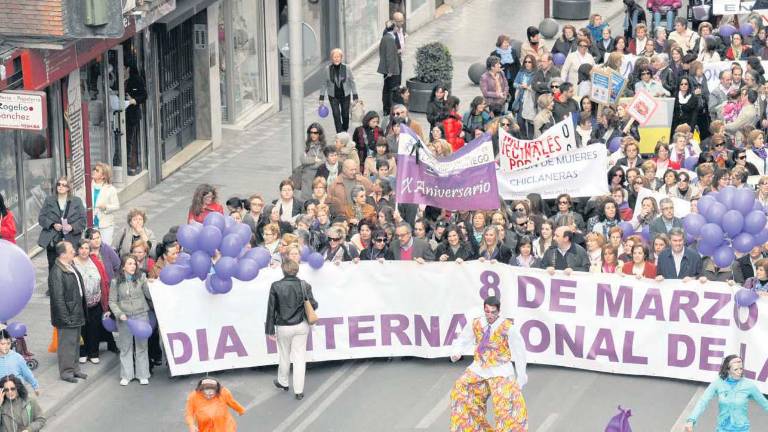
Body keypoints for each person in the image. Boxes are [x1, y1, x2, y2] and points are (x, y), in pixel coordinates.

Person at [449, 296, 528, 432]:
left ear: (499, 311)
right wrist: (457, 351)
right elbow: (463, 338)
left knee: (506, 407)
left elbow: (520, 353)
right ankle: (472, 428)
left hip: (500, 370)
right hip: (479, 368)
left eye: (493, 312)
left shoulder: (508, 327)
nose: (490, 315)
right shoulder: (477, 323)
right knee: (460, 390)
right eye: (487, 311)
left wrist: (521, 377)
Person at [265, 259, 318, 400]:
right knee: (300, 357)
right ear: (297, 270)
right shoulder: (304, 285)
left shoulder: (275, 286)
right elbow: (314, 305)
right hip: (301, 325)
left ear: (283, 270)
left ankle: (283, 382)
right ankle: (299, 391)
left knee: (284, 355)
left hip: (283, 326)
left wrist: (269, 330)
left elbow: (271, 309)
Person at [684, 355, 768, 431]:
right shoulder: (718, 383)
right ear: (728, 370)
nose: (740, 372)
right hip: (722, 429)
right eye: (736, 369)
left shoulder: (749, 385)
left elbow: (765, 404)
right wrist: (691, 420)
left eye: (741, 368)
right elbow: (703, 401)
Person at [109, 254, 153, 386]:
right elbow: (112, 301)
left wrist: (151, 285)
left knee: (142, 346)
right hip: (125, 318)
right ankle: (127, 375)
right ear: (123, 266)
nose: (133, 266)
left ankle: (143, 374)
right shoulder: (115, 282)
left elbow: (149, 295)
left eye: (134, 263)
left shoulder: (142, 278)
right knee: (126, 347)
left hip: (141, 316)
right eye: (129, 263)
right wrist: (119, 313)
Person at [48, 241, 87, 383]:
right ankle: (66, 372)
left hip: (76, 312)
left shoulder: (70, 266)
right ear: (63, 254)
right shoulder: (57, 272)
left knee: (75, 343)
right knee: (66, 345)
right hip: (68, 316)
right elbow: (58, 299)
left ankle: (75, 369)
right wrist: (66, 318)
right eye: (71, 250)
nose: (74, 252)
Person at [72, 240, 109, 365]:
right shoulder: (72, 263)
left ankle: (94, 352)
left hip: (95, 301)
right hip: (80, 303)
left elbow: (103, 279)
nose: (84, 251)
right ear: (77, 250)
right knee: (82, 329)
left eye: (87, 248)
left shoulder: (95, 261)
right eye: (81, 248)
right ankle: (82, 352)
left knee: (95, 328)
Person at [38, 176, 86, 270]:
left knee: (72, 266)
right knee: (53, 267)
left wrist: (72, 227)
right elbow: (41, 218)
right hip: (54, 239)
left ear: (68, 188)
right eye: (59, 184)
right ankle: (54, 284)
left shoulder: (77, 201)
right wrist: (53, 224)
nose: (60, 187)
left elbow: (83, 220)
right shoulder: (49, 200)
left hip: (71, 239)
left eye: (64, 185)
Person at [319, 48, 358, 133]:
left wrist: (355, 95)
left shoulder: (347, 68)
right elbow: (324, 84)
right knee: (336, 115)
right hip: (333, 97)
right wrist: (321, 98)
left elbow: (352, 81)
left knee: (345, 115)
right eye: (334, 57)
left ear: (341, 58)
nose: (336, 58)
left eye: (338, 57)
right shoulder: (327, 69)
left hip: (345, 95)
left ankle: (344, 130)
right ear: (331, 58)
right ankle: (340, 134)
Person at [124, 61, 147, 176]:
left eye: (124, 68)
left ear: (128, 68)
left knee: (129, 140)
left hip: (131, 115)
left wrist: (134, 100)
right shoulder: (116, 78)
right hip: (119, 113)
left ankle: (128, 165)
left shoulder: (136, 79)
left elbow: (144, 95)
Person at [0, 330, 39, 394]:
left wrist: (35, 386)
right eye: (3, 344)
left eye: (8, 343)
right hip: (2, 393)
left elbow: (27, 373)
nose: (6, 346)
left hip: (18, 391)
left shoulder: (17, 357)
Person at [91, 162, 120, 246]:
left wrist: (106, 207)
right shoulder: (87, 186)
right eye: (94, 169)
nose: (94, 171)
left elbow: (116, 206)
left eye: (97, 170)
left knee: (105, 247)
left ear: (103, 176)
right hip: (90, 223)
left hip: (105, 224)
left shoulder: (111, 189)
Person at [378, 20, 401, 115]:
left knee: (386, 89)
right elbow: (390, 56)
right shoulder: (390, 39)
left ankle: (386, 109)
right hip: (391, 70)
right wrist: (390, 71)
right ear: (394, 28)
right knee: (391, 90)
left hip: (386, 69)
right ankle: (390, 109)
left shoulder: (385, 37)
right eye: (396, 26)